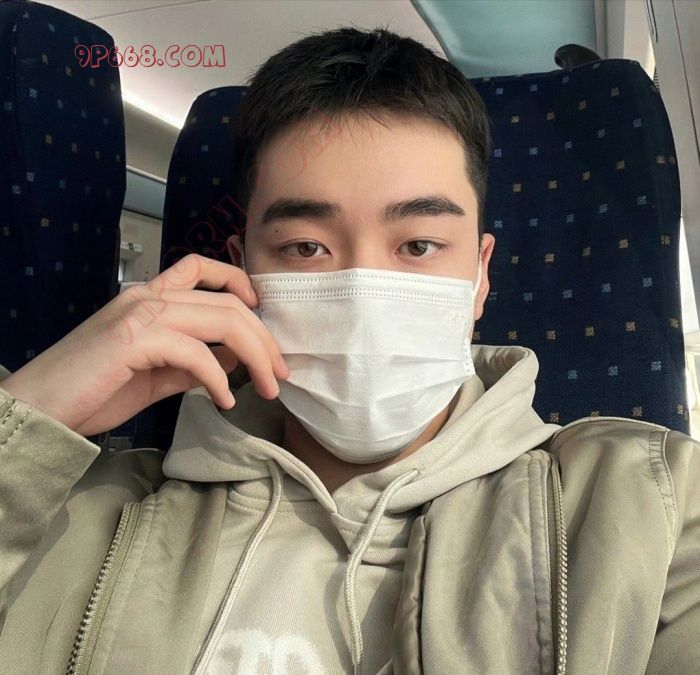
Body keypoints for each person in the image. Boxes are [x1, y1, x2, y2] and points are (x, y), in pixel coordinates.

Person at [0, 25, 698, 675]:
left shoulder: (651, 505)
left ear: (480, 276)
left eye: (418, 245)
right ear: (241, 271)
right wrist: (31, 412)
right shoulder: (83, 512)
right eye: (306, 247)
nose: (364, 292)